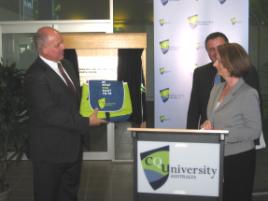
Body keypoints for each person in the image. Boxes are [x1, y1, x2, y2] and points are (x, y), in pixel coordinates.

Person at [24, 26, 106, 201]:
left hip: (72, 148)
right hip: (50, 153)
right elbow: (48, 114)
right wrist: (86, 122)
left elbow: (73, 100)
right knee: (47, 195)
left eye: (62, 42)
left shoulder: (67, 65)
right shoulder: (35, 75)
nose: (63, 47)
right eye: (57, 44)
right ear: (43, 49)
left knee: (69, 194)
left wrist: (92, 102)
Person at [201, 43, 262, 201]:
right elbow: (212, 118)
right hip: (216, 156)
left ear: (230, 63)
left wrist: (221, 134)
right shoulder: (216, 89)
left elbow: (254, 131)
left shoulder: (248, 93)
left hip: (239, 159)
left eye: (219, 61)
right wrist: (208, 124)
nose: (214, 64)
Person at [187, 32, 260, 129]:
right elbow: (194, 109)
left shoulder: (247, 71)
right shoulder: (201, 73)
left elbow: (254, 110)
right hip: (209, 137)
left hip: (238, 137)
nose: (216, 52)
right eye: (211, 49)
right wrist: (191, 137)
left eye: (220, 48)